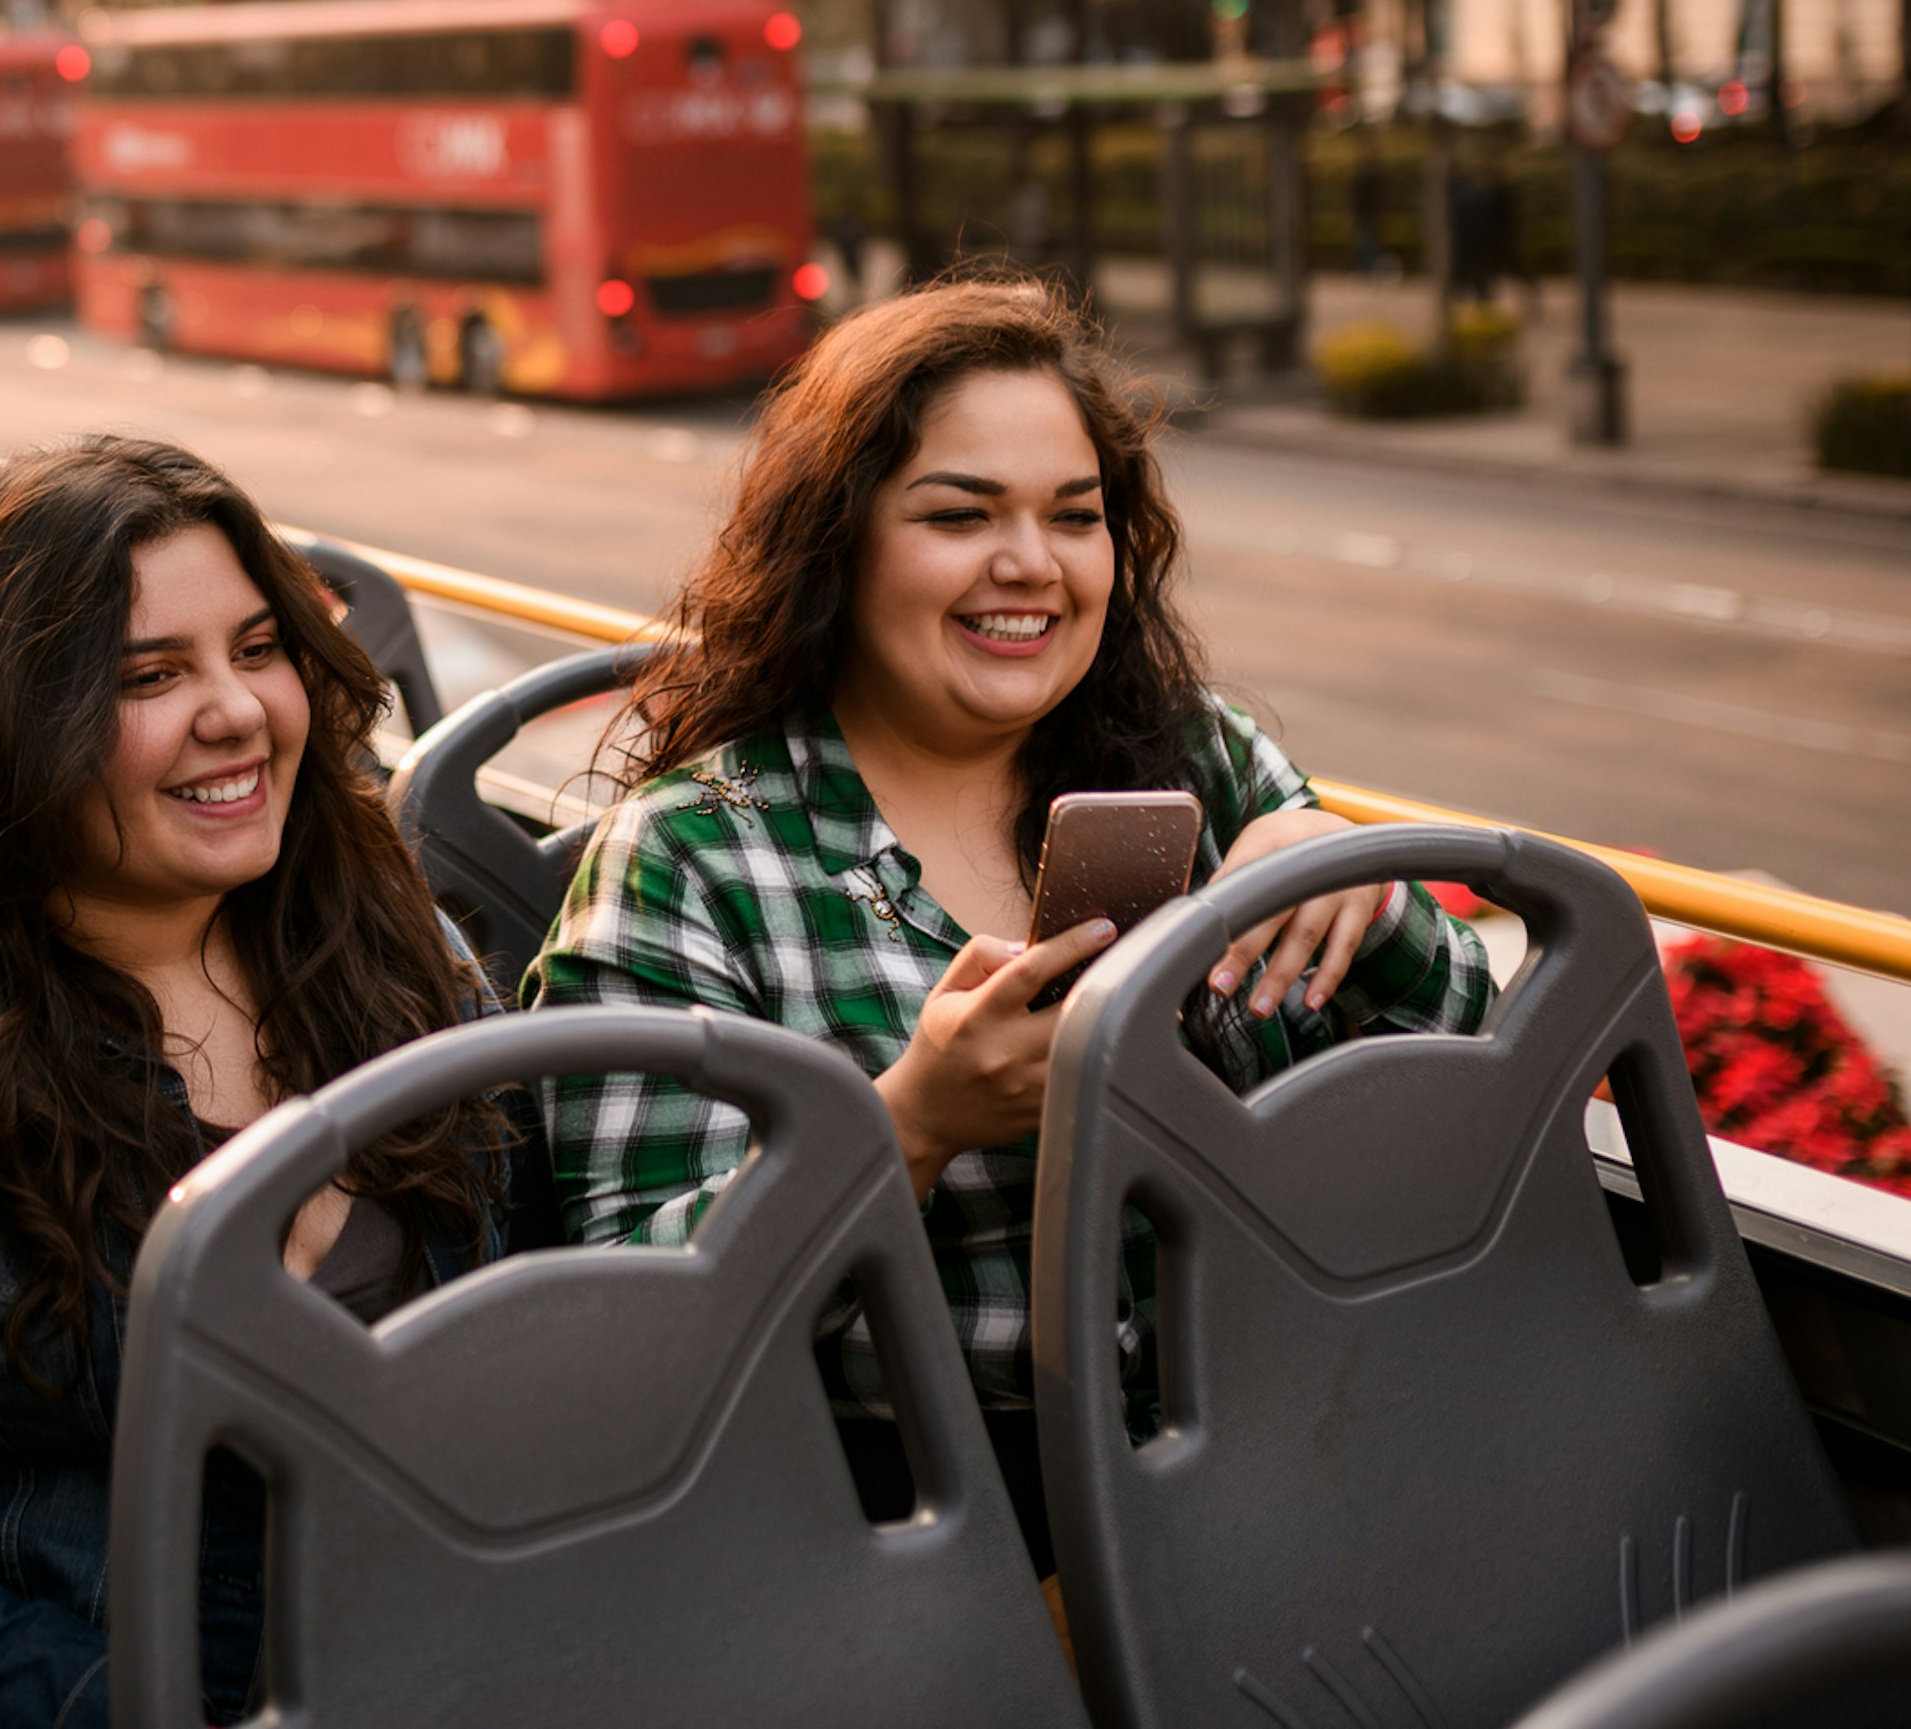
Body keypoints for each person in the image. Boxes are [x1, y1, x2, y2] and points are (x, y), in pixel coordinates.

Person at [527, 276, 1496, 1563]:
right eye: (959, 514)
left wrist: (1360, 892)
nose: (1031, 564)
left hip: (1303, 1460)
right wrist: (909, 1127)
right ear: (838, 544)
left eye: (1074, 516)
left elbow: (1479, 1068)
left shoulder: (1194, 758)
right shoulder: (689, 857)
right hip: (926, 1543)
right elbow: (632, 1343)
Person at [0, 437, 527, 1729]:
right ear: (18, 725)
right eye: (152, 674)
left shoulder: (407, 963)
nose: (238, 712)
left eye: (259, 651)